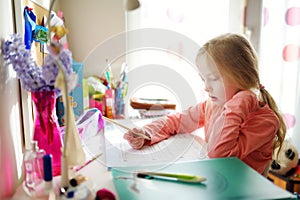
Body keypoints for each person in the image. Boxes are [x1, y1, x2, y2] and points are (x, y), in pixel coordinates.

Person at [124, 33, 286, 175]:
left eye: (214, 78)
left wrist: (237, 106)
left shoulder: (265, 122)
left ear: (242, 76)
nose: (206, 87)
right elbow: (177, 121)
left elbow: (219, 156)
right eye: (203, 79)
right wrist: (146, 133)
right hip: (219, 182)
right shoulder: (212, 105)